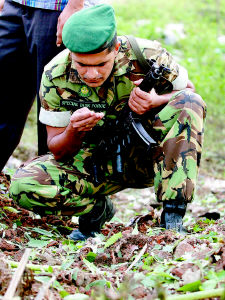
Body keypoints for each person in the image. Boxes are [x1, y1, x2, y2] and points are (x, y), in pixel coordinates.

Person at [10, 4, 206, 241]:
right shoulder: (55, 75)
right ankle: (96, 212)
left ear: (115, 48)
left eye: (100, 65)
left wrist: (155, 101)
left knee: (188, 101)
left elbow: (190, 94)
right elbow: (57, 148)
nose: (92, 75)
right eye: (82, 65)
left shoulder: (146, 55)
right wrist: (74, 130)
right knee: (24, 184)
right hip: (96, 164)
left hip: (150, 156)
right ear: (71, 53)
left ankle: (172, 218)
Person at [0, 0, 101, 172]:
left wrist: (75, 6)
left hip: (59, 9)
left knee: (53, 115)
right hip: (16, 5)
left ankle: (51, 192)